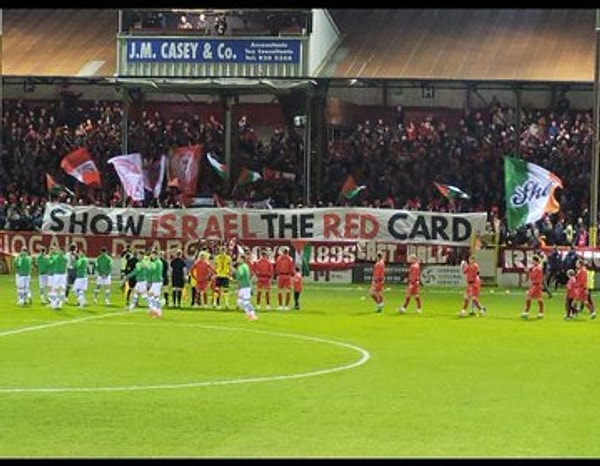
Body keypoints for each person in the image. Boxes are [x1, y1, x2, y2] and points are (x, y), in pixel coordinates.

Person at [233, 252, 258, 321]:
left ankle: (253, 315)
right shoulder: (246, 266)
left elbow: (239, 275)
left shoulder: (241, 267)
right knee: (239, 301)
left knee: (245, 301)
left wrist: (234, 271)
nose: (238, 260)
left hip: (245, 286)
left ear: (242, 259)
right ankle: (248, 314)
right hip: (244, 286)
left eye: (239, 258)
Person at [520, 255, 545, 319]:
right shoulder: (537, 267)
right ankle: (541, 313)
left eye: (533, 261)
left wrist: (529, 272)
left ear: (535, 261)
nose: (532, 262)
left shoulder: (537, 268)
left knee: (528, 298)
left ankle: (526, 312)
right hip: (537, 285)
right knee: (539, 299)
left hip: (536, 285)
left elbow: (533, 276)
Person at [275, 246, 295, 310]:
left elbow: (277, 268)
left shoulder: (280, 258)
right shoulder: (289, 259)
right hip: (286, 275)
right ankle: (284, 306)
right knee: (285, 291)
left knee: (283, 291)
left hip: (283, 275)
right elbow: (291, 268)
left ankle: (283, 306)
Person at [48, 246, 68, 310]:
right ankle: (60, 304)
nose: (58, 252)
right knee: (62, 289)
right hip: (64, 274)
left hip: (57, 274)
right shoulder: (66, 258)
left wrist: (49, 257)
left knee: (55, 289)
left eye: (59, 250)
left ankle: (54, 303)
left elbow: (50, 263)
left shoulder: (56, 257)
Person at [214, 244, 233, 309]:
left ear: (225, 250)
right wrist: (215, 274)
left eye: (223, 250)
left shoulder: (228, 258)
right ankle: (216, 304)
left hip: (225, 275)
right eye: (221, 250)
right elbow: (215, 267)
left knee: (225, 290)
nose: (222, 251)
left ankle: (226, 304)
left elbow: (230, 267)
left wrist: (230, 275)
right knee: (217, 290)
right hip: (219, 275)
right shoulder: (217, 258)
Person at [146, 249, 164, 318]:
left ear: (155, 255)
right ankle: (154, 310)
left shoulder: (157, 263)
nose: (151, 256)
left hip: (157, 282)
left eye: (153, 254)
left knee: (154, 297)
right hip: (155, 282)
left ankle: (157, 311)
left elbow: (151, 269)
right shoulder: (158, 262)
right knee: (151, 296)